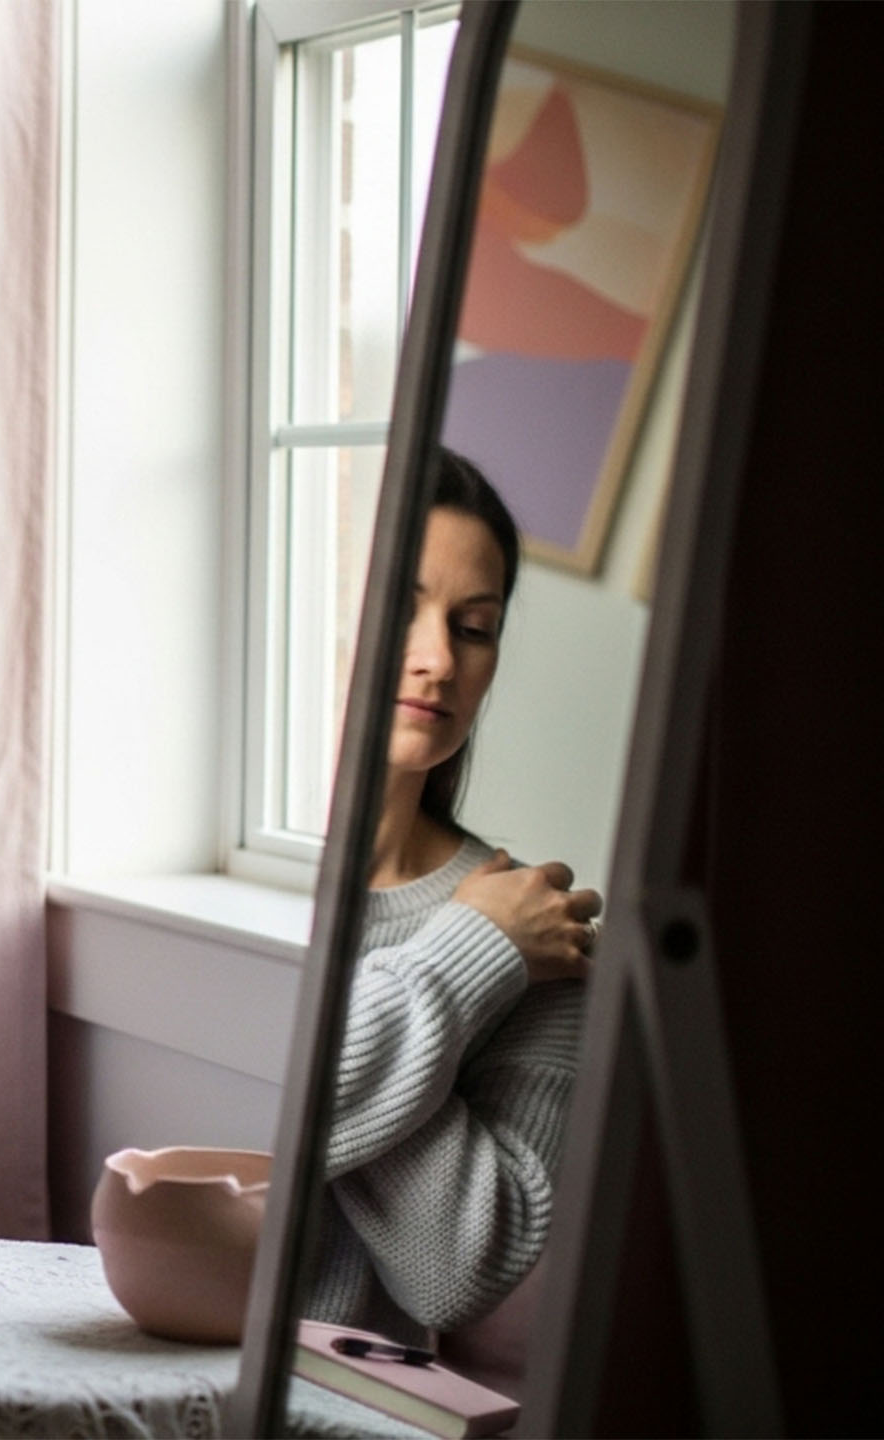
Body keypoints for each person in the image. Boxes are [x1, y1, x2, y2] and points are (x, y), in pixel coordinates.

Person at [307, 447, 597, 1345]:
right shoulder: (500, 938)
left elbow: (456, 1271)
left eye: (473, 628)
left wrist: (491, 950)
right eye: (399, 604)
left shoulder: (539, 930)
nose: (438, 660)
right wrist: (468, 958)